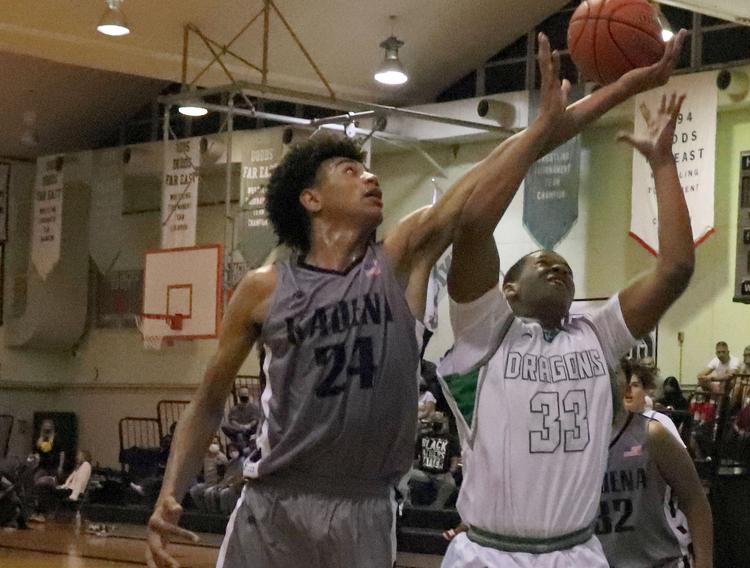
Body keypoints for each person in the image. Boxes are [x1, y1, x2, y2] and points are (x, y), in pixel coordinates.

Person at [146, 31, 660, 568]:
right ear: (311, 199)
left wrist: (614, 93)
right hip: (275, 501)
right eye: (352, 171)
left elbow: (491, 171)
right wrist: (170, 494)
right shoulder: (264, 288)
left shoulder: (402, 259)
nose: (371, 177)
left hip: (366, 508)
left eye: (370, 170)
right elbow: (208, 399)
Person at [437, 33, 693, 566]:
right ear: (506, 291)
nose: (555, 264)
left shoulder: (596, 334)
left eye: (564, 266)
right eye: (539, 262)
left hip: (575, 552)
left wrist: (663, 165)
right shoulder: (486, 329)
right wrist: (540, 135)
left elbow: (675, 270)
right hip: (490, 552)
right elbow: (473, 224)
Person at [599, 359, 713, 568]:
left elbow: (695, 499)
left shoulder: (654, 432)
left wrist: (704, 562)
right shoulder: (577, 445)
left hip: (661, 559)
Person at [624, 359, 684, 446]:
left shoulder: (660, 421)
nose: (628, 390)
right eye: (625, 385)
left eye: (635, 385)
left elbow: (680, 457)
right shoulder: (611, 423)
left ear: (646, 390)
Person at [409, 411, 460, 509]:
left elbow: (454, 458)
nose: (437, 423)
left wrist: (451, 471)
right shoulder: (423, 437)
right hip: (424, 472)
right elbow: (414, 456)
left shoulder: (451, 439)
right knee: (404, 475)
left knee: (450, 484)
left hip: (441, 474)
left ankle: (437, 507)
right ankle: (407, 503)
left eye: (439, 420)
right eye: (435, 420)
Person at [188, 438, 228, 512]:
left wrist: (219, 484)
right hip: (207, 483)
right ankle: (203, 509)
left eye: (214, 443)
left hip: (217, 483)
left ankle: (214, 512)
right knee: (194, 490)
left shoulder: (221, 457)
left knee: (208, 493)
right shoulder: (205, 457)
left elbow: (224, 474)